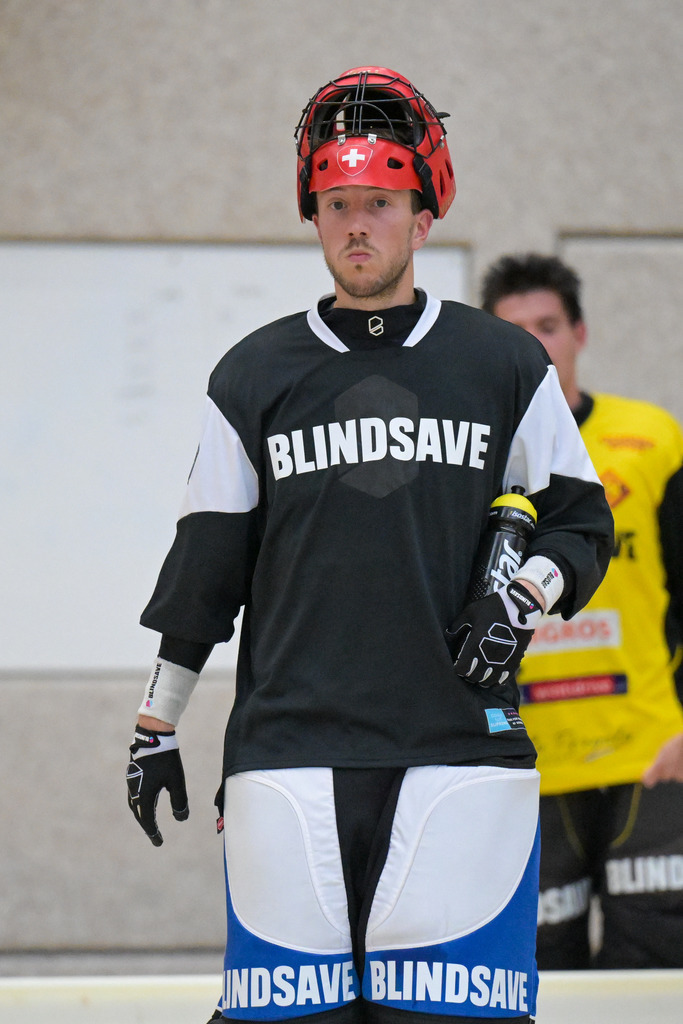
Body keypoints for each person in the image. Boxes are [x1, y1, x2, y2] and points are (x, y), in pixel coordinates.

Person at [125, 71, 613, 1024]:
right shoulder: (253, 373)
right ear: (314, 215)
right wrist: (157, 723)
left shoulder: (503, 363)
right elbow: (205, 569)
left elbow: (580, 523)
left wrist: (524, 596)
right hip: (289, 751)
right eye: (338, 205)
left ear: (422, 217)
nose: (358, 227)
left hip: (458, 752)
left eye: (380, 205)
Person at [480, 252, 683, 970]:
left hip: (654, 758)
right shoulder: (475, 461)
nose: (537, 346)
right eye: (516, 332)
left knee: (657, 973)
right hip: (527, 763)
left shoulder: (652, 438)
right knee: (538, 977)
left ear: (580, 333)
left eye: (549, 326)